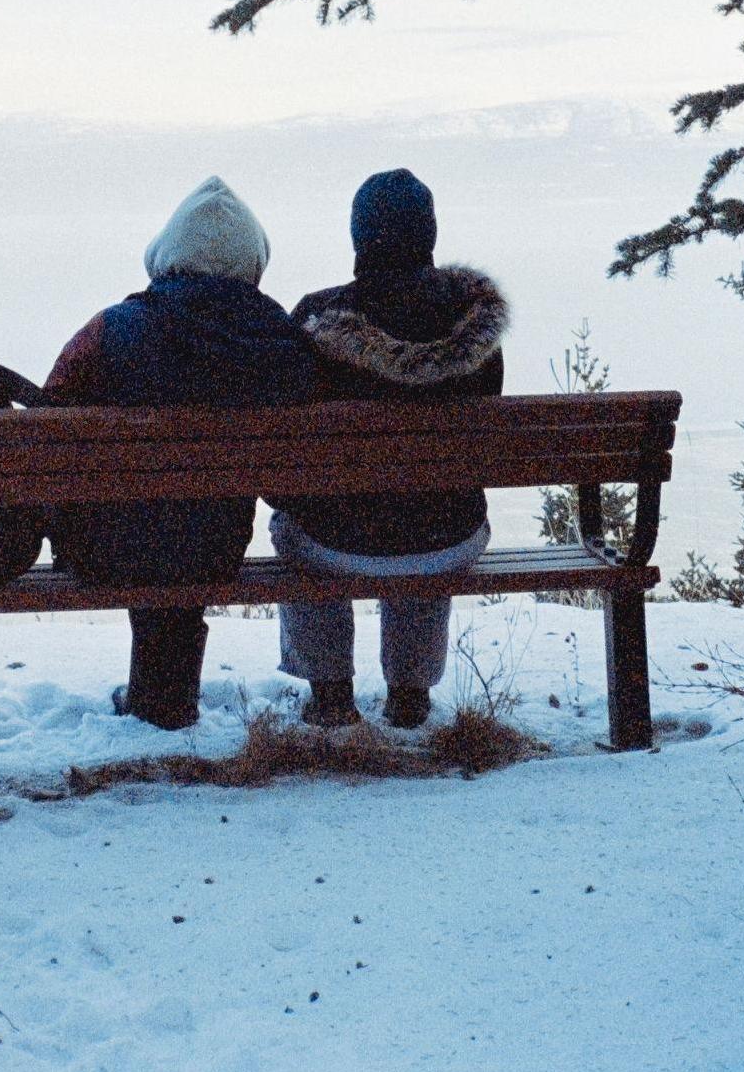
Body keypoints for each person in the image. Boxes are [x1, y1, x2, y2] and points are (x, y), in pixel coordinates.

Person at [43, 177, 319, 730]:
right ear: (253, 262)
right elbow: (295, 474)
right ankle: (165, 697)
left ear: (166, 256)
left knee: (147, 518)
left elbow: (45, 430)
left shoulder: (112, 331)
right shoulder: (282, 341)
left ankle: (160, 699)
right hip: (215, 550)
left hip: (106, 552)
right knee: (187, 520)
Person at [271, 168, 509, 729]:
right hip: (448, 539)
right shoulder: (472, 325)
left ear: (358, 238)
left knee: (297, 527)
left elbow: (284, 445)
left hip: (335, 541)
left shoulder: (315, 316)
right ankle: (409, 694)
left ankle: (330, 693)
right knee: (428, 513)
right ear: (429, 233)